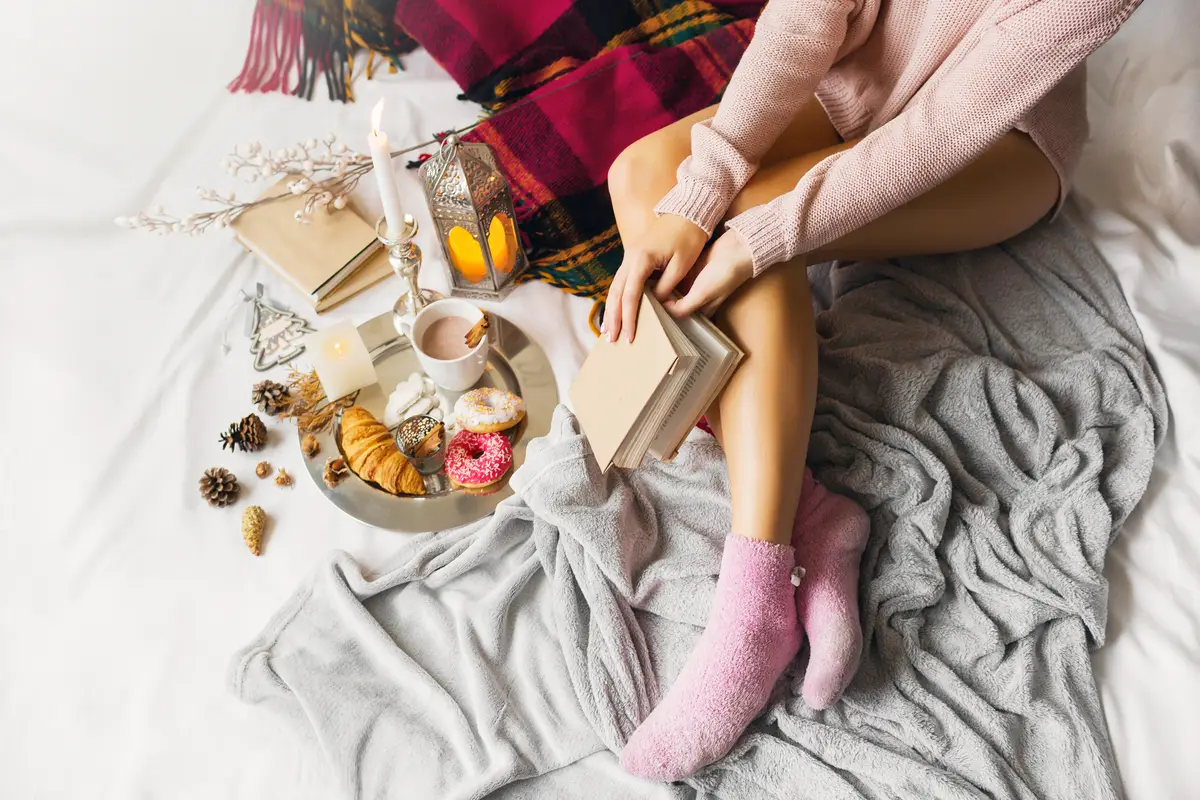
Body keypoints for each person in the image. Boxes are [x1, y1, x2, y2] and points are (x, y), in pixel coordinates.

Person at [607, 0, 1144, 782]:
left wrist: (756, 235)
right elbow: (802, 21)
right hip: (855, 85)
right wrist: (699, 193)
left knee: (748, 224)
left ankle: (754, 597)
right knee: (644, 175)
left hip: (997, 141)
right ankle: (813, 511)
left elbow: (940, 130)